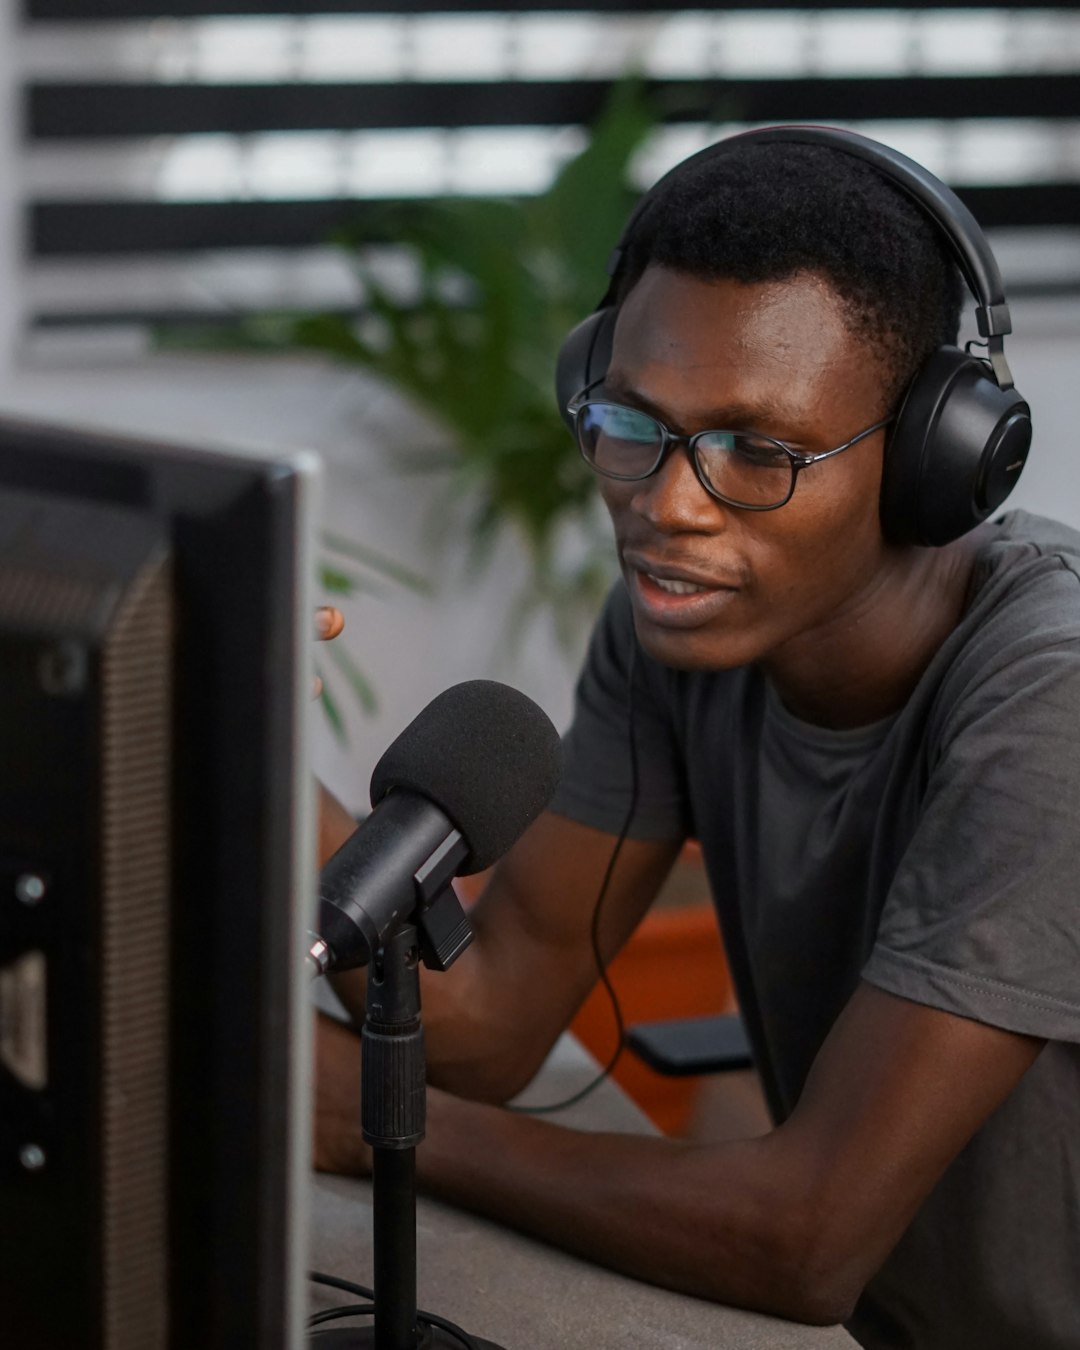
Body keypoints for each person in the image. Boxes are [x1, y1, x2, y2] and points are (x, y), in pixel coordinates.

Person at [313, 129, 1080, 1349]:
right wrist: (226, 715)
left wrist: (376, 1124)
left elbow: (810, 1237)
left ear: (940, 458)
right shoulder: (682, 622)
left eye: (756, 452)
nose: (668, 505)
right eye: (632, 421)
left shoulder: (1052, 694)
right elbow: (497, 1021)